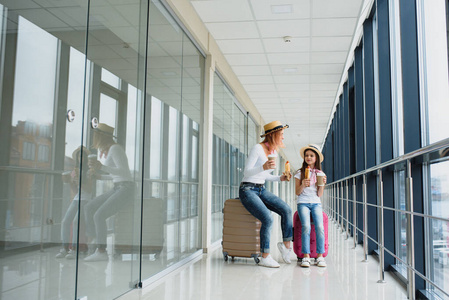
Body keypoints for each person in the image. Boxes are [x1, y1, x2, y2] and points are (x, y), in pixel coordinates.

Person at [239, 120, 293, 268]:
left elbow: (264, 176)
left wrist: (280, 178)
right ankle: (265, 256)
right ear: (273, 134)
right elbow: (247, 172)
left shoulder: (273, 152)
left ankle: (286, 246)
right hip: (247, 189)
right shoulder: (257, 148)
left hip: (261, 189)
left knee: (286, 209)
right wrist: (263, 166)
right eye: (281, 134)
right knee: (268, 219)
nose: (283, 137)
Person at [84, 123, 134, 262]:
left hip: (125, 188)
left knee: (99, 215)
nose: (95, 139)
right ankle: (95, 239)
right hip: (118, 186)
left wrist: (102, 167)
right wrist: (99, 176)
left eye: (96, 136)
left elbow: (124, 171)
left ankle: (101, 251)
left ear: (101, 137)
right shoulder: (111, 149)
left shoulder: (115, 149)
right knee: (89, 207)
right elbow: (117, 175)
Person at [56, 146, 92, 259]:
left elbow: (89, 190)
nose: (80, 158)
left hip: (86, 200)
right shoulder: (74, 171)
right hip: (77, 199)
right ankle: (64, 248)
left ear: (86, 158)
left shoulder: (89, 171)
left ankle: (74, 249)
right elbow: (75, 191)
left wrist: (79, 181)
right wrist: (69, 182)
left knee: (76, 222)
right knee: (65, 221)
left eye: (82, 156)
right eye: (78, 156)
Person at [294, 144, 327, 267]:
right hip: (303, 202)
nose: (308, 157)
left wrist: (322, 184)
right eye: (307, 155)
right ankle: (306, 256)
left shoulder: (320, 173)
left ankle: (320, 256)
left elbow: (319, 194)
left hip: (316, 203)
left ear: (316, 158)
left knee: (320, 227)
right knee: (306, 227)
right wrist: (303, 184)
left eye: (311, 155)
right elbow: (297, 192)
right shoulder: (299, 172)